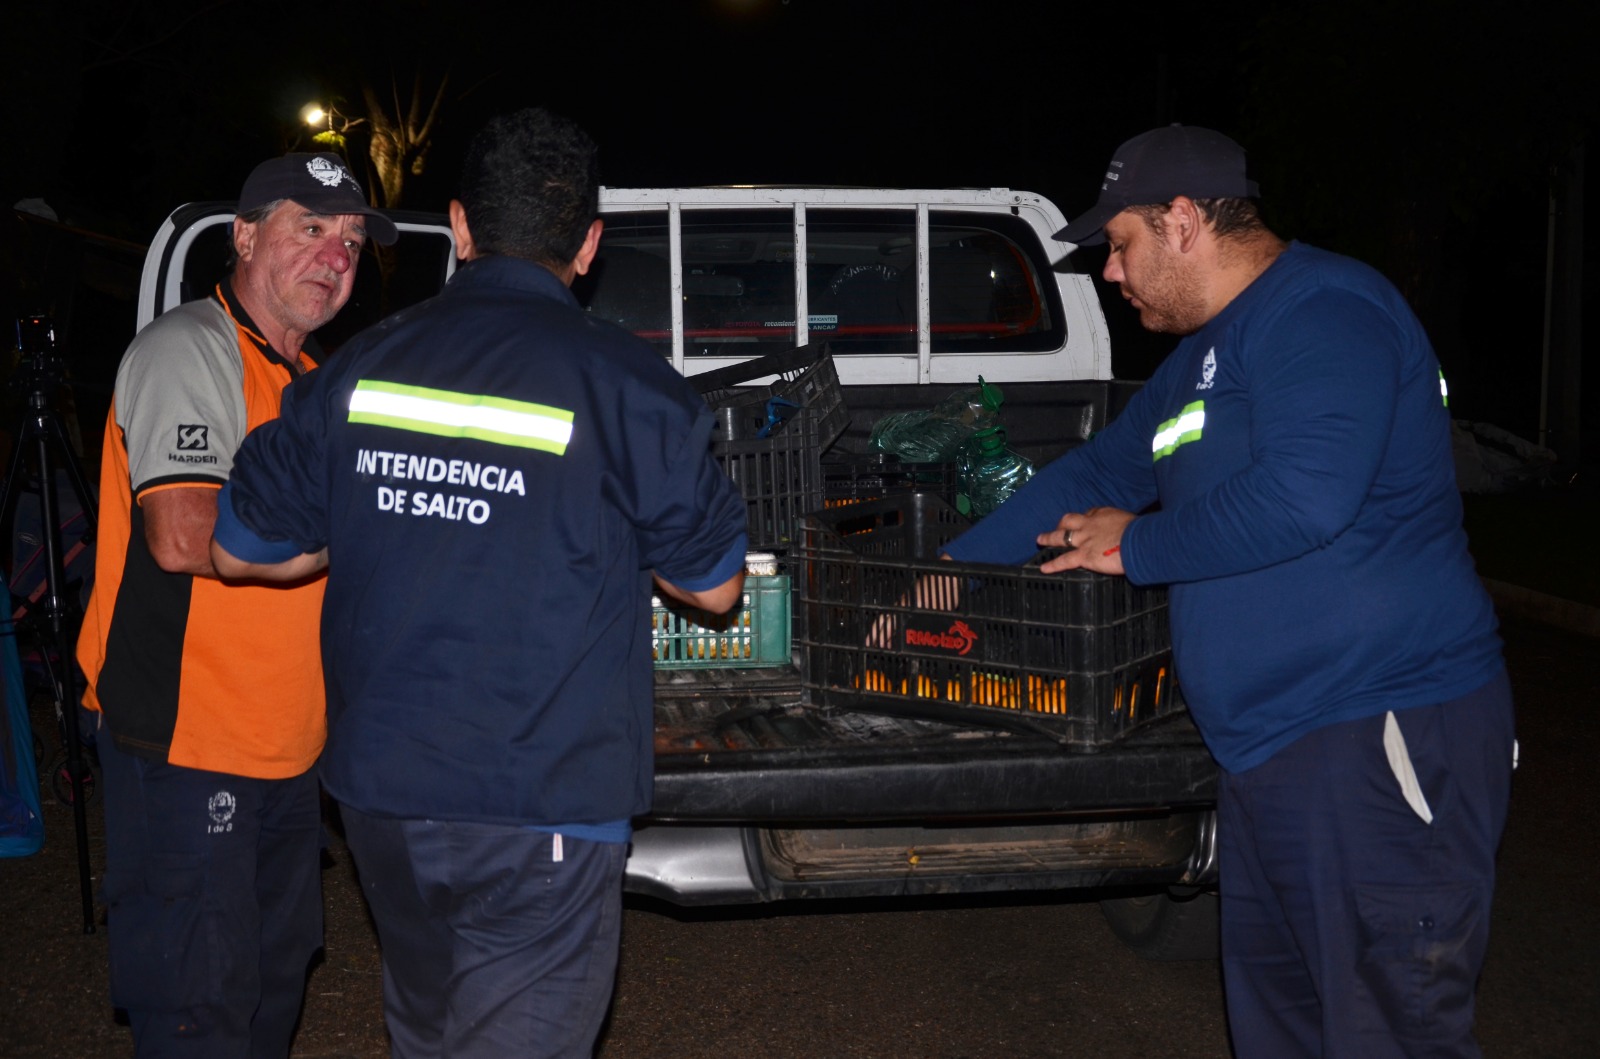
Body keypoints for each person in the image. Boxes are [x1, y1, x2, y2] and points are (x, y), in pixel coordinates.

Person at [941, 125, 1514, 1057]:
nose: (1111, 274)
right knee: (1281, 1029)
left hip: (1375, 733)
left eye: (1119, 245)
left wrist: (1139, 545)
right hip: (1267, 753)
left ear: (1180, 221)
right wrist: (944, 581)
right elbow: (1088, 479)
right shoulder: (1195, 368)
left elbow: (1306, 497)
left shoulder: (1326, 310)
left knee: (1387, 1031)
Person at [209, 107, 749, 1058]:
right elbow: (713, 587)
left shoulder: (355, 372)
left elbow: (241, 550)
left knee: (430, 1030)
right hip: (540, 801)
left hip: (383, 802)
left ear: (459, 227)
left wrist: (387, 514)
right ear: (587, 245)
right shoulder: (632, 388)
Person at [74, 153, 397, 1055]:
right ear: (245, 235)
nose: (335, 256)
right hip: (188, 744)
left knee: (268, 989)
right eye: (310, 228)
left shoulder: (316, 379)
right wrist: (352, 537)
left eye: (350, 242)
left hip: (288, 751)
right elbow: (183, 532)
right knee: (197, 1006)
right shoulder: (189, 348)